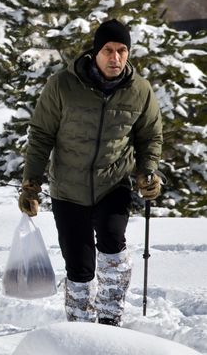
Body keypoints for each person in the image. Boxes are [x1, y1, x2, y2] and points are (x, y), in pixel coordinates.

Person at [19, 19, 162, 326]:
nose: (116, 58)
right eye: (108, 50)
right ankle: (82, 331)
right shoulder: (63, 85)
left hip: (113, 183)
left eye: (122, 50)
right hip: (68, 188)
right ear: (95, 52)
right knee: (79, 267)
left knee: (112, 245)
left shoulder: (139, 91)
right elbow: (41, 134)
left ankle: (111, 320)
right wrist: (31, 183)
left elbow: (149, 136)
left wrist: (147, 172)